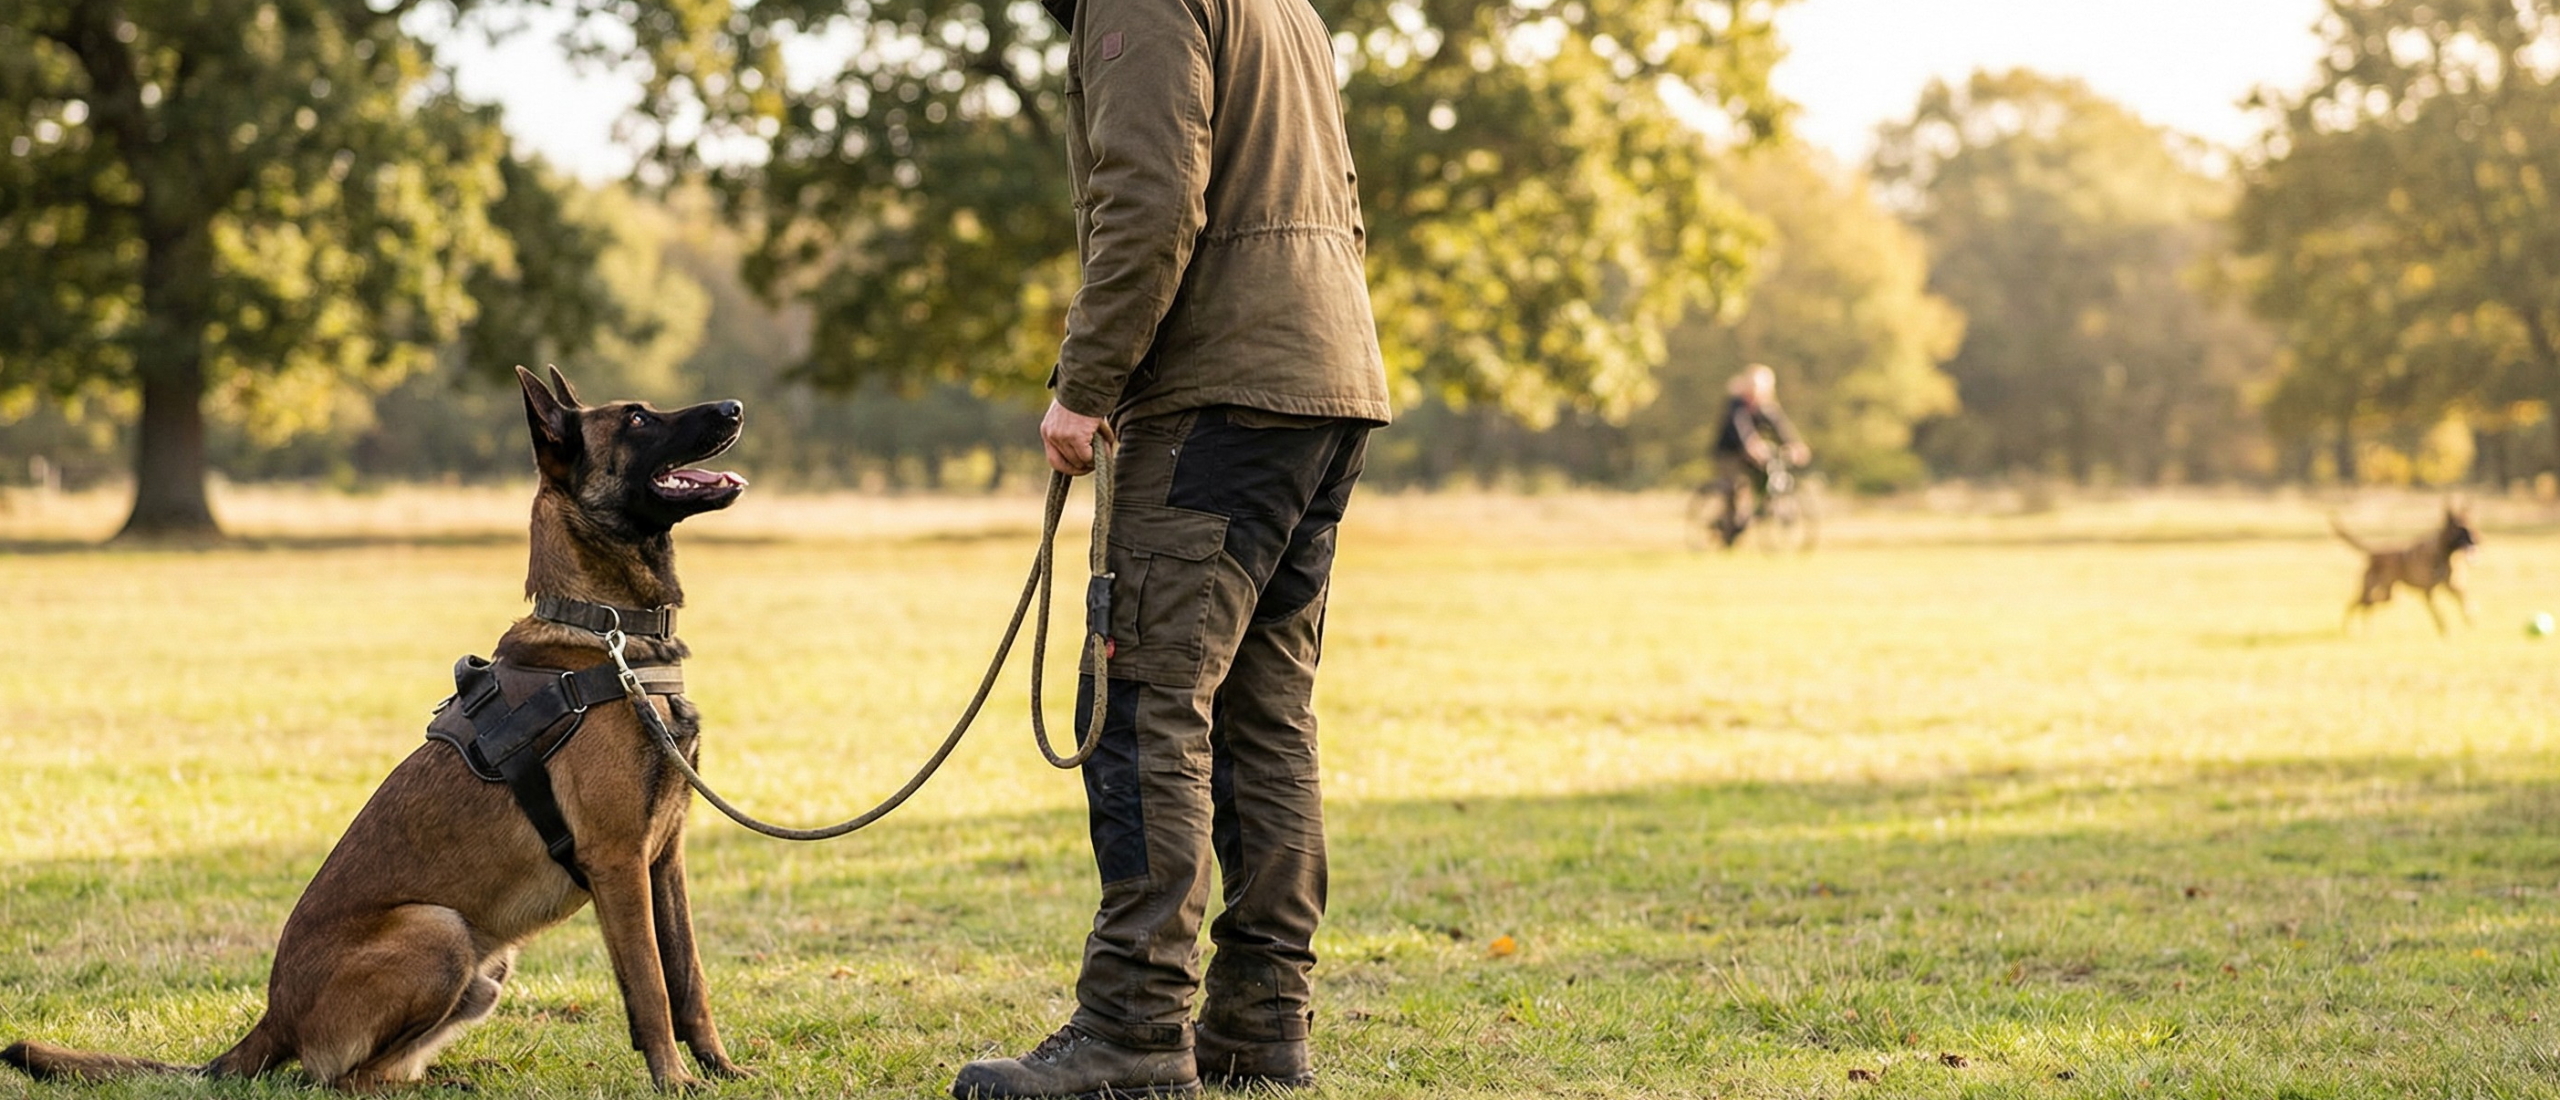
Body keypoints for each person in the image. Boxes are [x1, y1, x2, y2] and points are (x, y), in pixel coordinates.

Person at [951, 0, 1391, 1097]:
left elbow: (1148, 200)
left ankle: (1136, 1030)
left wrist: (1084, 384)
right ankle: (1257, 1023)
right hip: (1325, 380)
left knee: (1145, 706)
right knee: (1262, 717)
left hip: (1218, 395)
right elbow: (1340, 200)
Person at [1708, 364, 1810, 546]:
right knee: (1736, 487)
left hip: (1752, 456)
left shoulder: (1766, 406)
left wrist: (1795, 445)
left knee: (1767, 477)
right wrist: (1751, 444)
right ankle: (1728, 529)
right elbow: (1741, 427)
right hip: (1729, 453)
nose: (1757, 391)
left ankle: (1757, 511)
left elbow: (1781, 427)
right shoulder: (1736, 404)